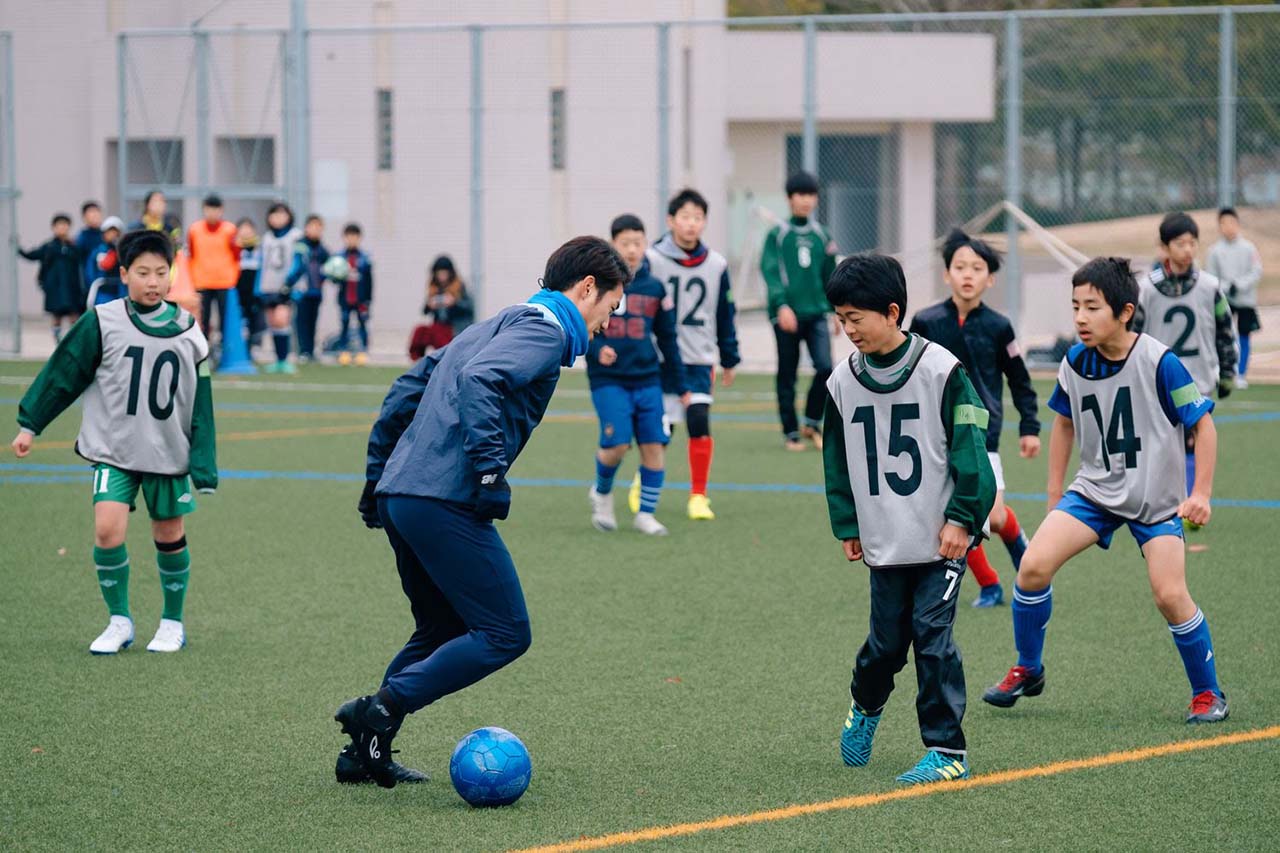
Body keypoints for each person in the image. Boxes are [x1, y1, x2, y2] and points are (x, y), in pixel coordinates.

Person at [334, 236, 628, 788]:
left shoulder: (493, 323)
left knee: (442, 628)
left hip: (405, 497)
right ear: (587, 288)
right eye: (610, 308)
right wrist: (491, 472)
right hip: (442, 499)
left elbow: (405, 390)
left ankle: (363, 752)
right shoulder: (545, 331)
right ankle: (379, 711)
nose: (607, 323)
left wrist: (378, 479)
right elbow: (481, 380)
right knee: (506, 631)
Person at [983, 257, 1228, 725]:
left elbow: (1204, 426)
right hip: (1093, 492)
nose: (1080, 317)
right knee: (1032, 567)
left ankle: (1208, 692)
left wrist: (1201, 493)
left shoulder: (1161, 363)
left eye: (1092, 307)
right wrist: (1054, 494)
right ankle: (1029, 669)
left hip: (1155, 500)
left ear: (1125, 312)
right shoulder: (1075, 360)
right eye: (1075, 306)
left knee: (1169, 594)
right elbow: (1064, 423)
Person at [823, 253, 995, 786]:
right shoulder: (842, 381)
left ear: (892, 312)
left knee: (931, 636)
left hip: (942, 539)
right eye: (841, 319)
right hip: (885, 537)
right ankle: (864, 706)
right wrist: (848, 522)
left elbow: (973, 450)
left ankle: (946, 750)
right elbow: (836, 458)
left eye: (856, 318)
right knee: (885, 648)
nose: (848, 329)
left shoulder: (941, 370)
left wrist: (963, 518)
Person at [10, 229, 217, 655]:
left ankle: (172, 622)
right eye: (142, 272)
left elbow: (201, 403)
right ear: (124, 274)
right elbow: (64, 372)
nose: (153, 282)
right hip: (114, 450)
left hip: (167, 453)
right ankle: (119, 620)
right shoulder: (102, 321)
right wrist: (31, 423)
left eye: (161, 272)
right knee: (106, 530)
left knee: (169, 533)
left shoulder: (188, 330)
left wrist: (204, 464)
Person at [910, 229, 1040, 608]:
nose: (968, 274)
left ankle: (1022, 549)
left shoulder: (1000, 327)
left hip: (983, 436)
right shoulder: (926, 322)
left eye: (977, 268)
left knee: (993, 517)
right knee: (957, 514)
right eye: (960, 266)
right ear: (946, 274)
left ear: (990, 278)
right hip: (936, 435)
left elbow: (1020, 381)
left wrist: (1030, 427)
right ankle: (990, 585)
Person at [586, 214, 687, 537]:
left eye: (637, 243)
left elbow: (668, 339)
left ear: (646, 245)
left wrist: (681, 384)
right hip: (609, 380)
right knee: (616, 445)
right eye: (625, 243)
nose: (632, 250)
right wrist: (596, 349)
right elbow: (582, 325)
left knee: (654, 446)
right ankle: (602, 493)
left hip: (648, 379)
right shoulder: (598, 287)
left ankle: (646, 514)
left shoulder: (655, 288)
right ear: (612, 245)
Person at [1134, 212, 1236, 522]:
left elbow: (1225, 329)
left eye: (1193, 243)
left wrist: (1228, 372)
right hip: (1158, 381)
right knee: (1161, 445)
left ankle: (1191, 505)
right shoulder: (1146, 289)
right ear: (1164, 247)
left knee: (1193, 440)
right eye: (1180, 244)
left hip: (1198, 378)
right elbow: (1133, 334)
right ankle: (1161, 503)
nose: (1188, 250)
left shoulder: (1210, 286)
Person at [646, 188, 740, 521]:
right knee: (662, 430)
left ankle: (698, 495)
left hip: (699, 357)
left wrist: (729, 357)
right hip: (660, 357)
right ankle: (644, 480)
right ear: (670, 220)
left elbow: (725, 314)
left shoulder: (716, 264)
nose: (691, 224)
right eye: (685, 217)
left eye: (698, 218)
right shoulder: (652, 260)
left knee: (699, 420)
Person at [761, 171, 838, 451]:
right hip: (786, 316)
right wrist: (781, 305)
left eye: (810, 195)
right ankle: (791, 432)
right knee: (788, 373)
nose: (805, 200)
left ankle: (811, 422)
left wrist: (836, 310)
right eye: (800, 195)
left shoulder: (822, 235)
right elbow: (770, 272)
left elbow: (831, 275)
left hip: (816, 313)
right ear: (789, 198)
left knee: (826, 368)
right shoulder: (777, 235)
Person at [1205, 207, 1262, 390]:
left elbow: (1256, 271)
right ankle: (1222, 370)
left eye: (1232, 222)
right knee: (1222, 334)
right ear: (1219, 226)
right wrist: (1226, 287)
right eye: (1224, 223)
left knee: (1244, 335)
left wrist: (1240, 285)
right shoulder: (1214, 251)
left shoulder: (1249, 248)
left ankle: (1241, 374)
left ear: (1237, 224)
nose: (1228, 227)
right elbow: (1211, 276)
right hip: (1224, 299)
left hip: (1245, 300)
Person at [18, 213, 84, 342]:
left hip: (72, 288)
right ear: (53, 228)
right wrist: (18, 248)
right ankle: (57, 340)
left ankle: (74, 340)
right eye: (59, 225)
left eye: (65, 225)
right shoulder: (48, 247)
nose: (62, 228)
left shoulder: (74, 247)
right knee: (56, 315)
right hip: (55, 289)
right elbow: (31, 255)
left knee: (74, 315)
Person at [187, 194, 240, 348]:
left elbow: (237, 255)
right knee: (203, 318)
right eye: (209, 209)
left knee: (225, 318)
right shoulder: (195, 230)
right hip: (201, 281)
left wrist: (234, 277)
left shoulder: (229, 230)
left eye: (216, 209)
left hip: (225, 282)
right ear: (204, 210)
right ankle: (203, 348)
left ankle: (225, 348)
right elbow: (191, 254)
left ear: (221, 210)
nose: (212, 213)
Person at [255, 202, 303, 373]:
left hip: (286, 286)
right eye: (274, 214)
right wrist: (258, 288)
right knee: (273, 322)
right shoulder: (266, 238)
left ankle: (285, 359)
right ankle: (278, 360)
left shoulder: (296, 236)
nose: (278, 218)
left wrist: (289, 283)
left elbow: (299, 262)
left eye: (282, 214)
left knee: (282, 319)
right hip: (268, 285)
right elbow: (261, 264)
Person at [410, 255, 474, 358]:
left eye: (444, 273)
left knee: (437, 332)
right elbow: (424, 311)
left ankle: (446, 357)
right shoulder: (434, 288)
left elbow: (469, 308)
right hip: (439, 327)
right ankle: (418, 361)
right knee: (420, 331)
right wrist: (430, 305)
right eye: (439, 274)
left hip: (455, 329)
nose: (442, 276)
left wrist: (454, 303)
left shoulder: (459, 286)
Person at [285, 214, 330, 362]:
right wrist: (289, 283)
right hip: (301, 292)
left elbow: (328, 268)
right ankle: (303, 350)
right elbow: (296, 266)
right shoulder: (300, 245)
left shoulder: (322, 249)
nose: (315, 229)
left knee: (312, 322)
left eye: (318, 227)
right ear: (306, 228)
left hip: (316, 292)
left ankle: (310, 351)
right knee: (301, 322)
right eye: (312, 226)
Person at [334, 223, 374, 365]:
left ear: (359, 238)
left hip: (360, 298)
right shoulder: (339, 258)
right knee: (344, 323)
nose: (351, 240)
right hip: (345, 298)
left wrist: (368, 299)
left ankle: (363, 352)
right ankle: (343, 351)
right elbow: (334, 279)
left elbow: (369, 280)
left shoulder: (365, 258)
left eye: (354, 237)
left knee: (362, 324)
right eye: (349, 236)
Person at [234, 218, 262, 353]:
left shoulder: (260, 248)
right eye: (243, 229)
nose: (246, 232)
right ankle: (240, 349)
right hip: (239, 291)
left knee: (254, 321)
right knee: (240, 321)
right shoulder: (235, 249)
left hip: (254, 292)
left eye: (249, 229)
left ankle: (252, 347)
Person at [86, 216, 126, 306]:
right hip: (102, 293)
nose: (113, 235)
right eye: (109, 232)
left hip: (121, 291)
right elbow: (90, 273)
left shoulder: (124, 252)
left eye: (115, 232)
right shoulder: (98, 251)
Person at [76, 201, 104, 288]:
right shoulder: (82, 238)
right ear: (84, 217)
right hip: (89, 283)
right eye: (91, 212)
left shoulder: (106, 235)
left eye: (97, 212)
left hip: (107, 282)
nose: (95, 215)